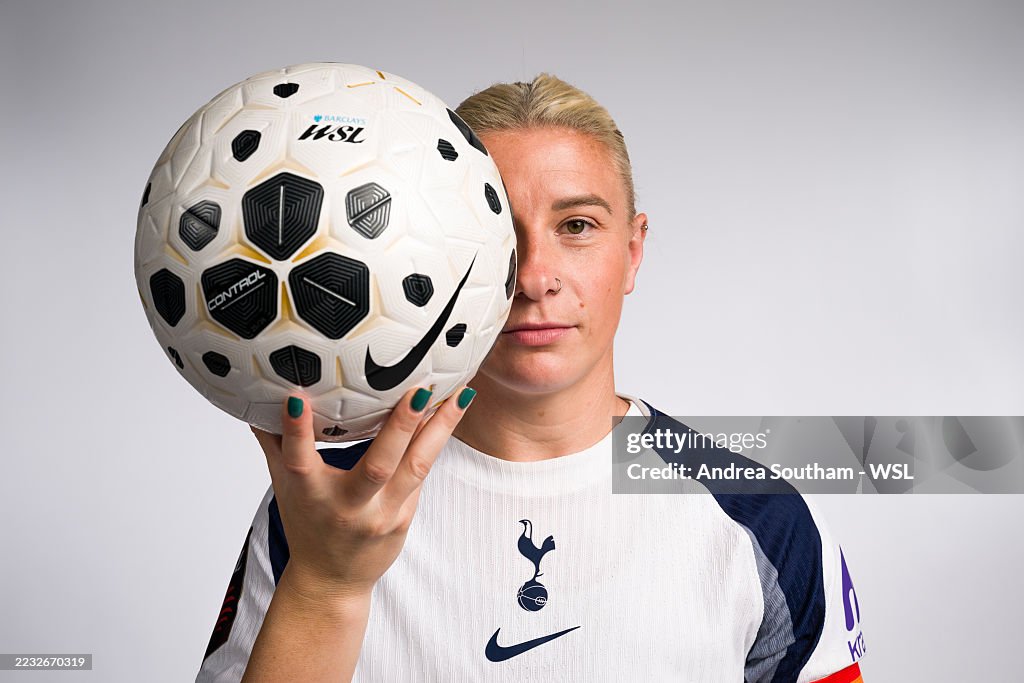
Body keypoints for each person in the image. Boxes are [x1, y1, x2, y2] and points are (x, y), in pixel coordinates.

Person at [196, 74, 867, 683]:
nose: (533, 275)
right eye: (496, 235)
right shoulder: (331, 504)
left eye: (577, 225)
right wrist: (324, 583)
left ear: (632, 252)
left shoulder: (759, 519)